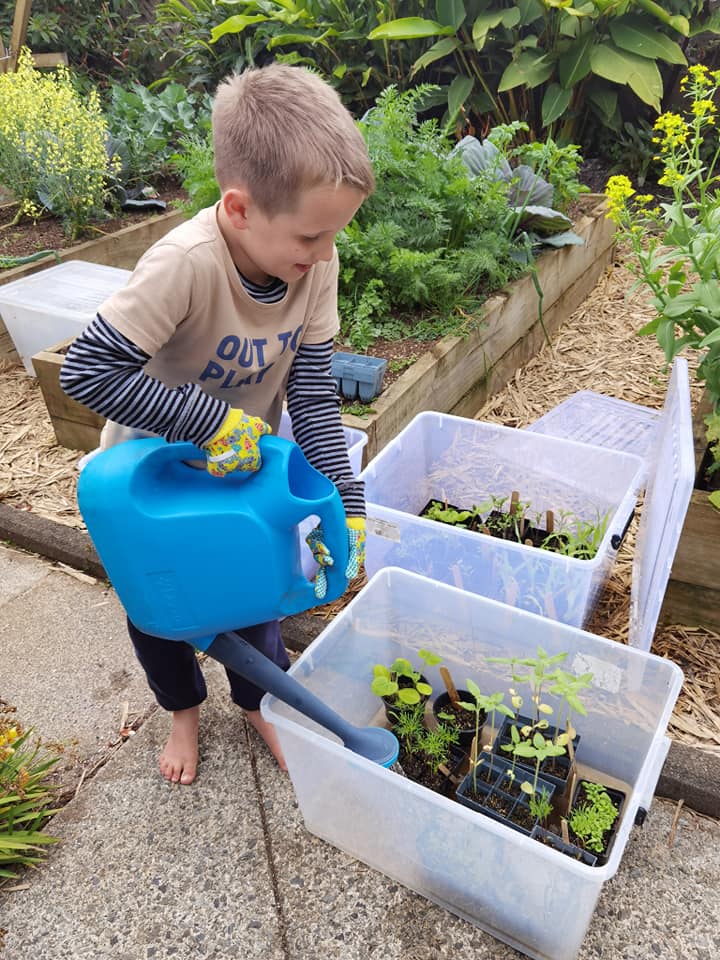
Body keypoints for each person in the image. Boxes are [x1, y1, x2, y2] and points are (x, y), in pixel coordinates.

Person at [60, 63, 375, 785]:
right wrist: (207, 422)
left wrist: (347, 502)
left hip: (245, 477)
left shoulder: (313, 266)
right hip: (151, 486)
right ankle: (181, 712)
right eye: (311, 237)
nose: (325, 254)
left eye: (333, 236)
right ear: (238, 210)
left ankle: (260, 703)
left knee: (260, 593)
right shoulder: (186, 264)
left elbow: (315, 399)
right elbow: (86, 372)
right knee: (162, 612)